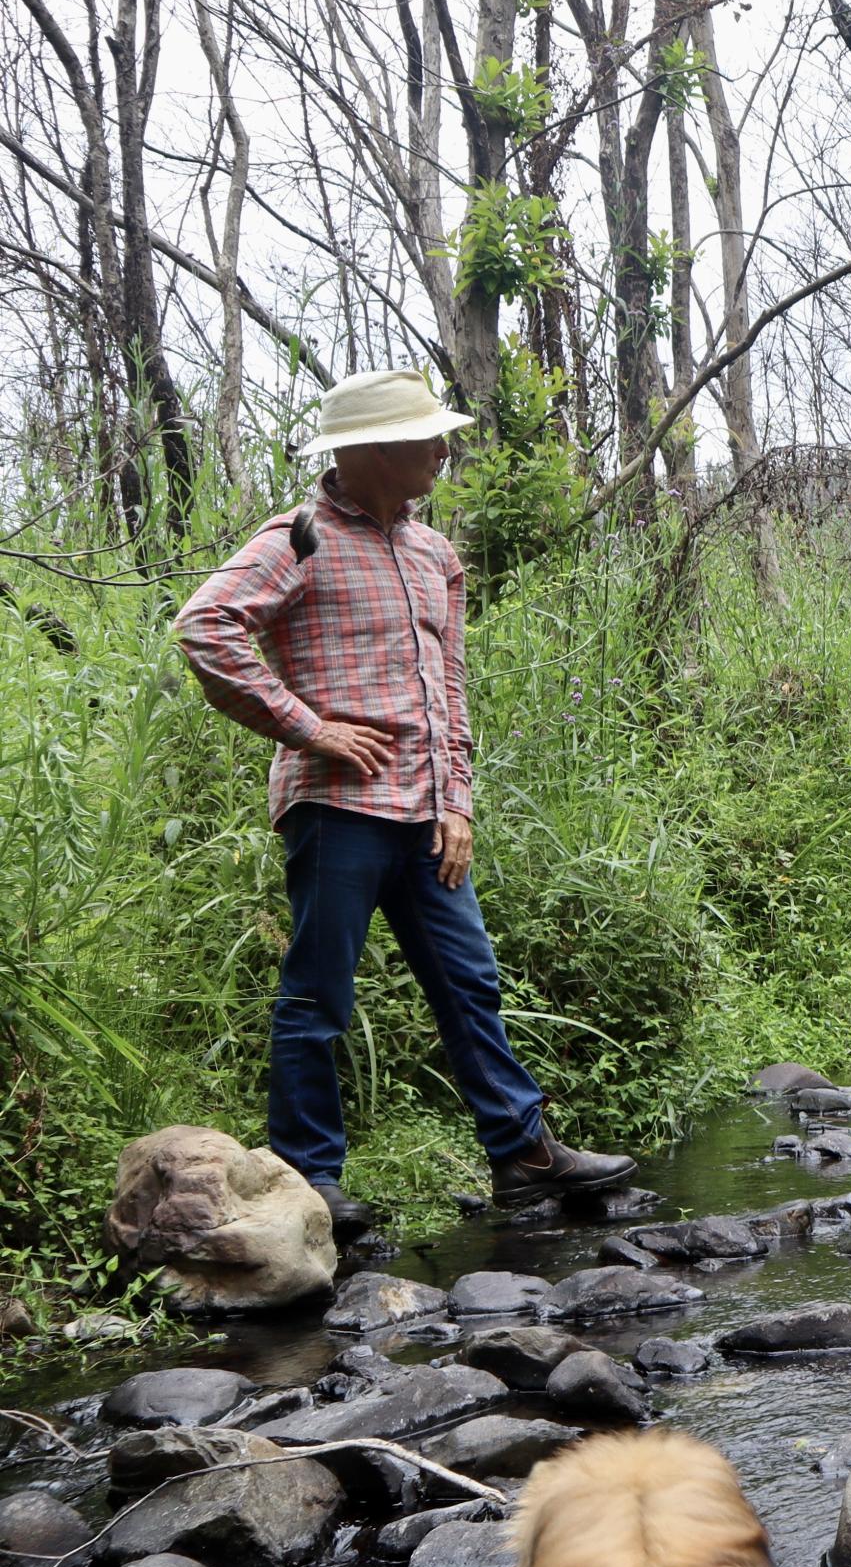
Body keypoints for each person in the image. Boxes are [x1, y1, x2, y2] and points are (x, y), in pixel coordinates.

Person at [174, 370, 636, 1241]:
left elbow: (448, 687)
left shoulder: (434, 552)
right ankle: (311, 1181)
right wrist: (308, 728)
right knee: (318, 998)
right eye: (426, 436)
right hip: (338, 806)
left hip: (427, 812)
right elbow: (206, 626)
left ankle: (523, 1154)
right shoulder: (299, 538)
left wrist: (457, 802)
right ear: (371, 450)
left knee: (470, 983)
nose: (442, 449)